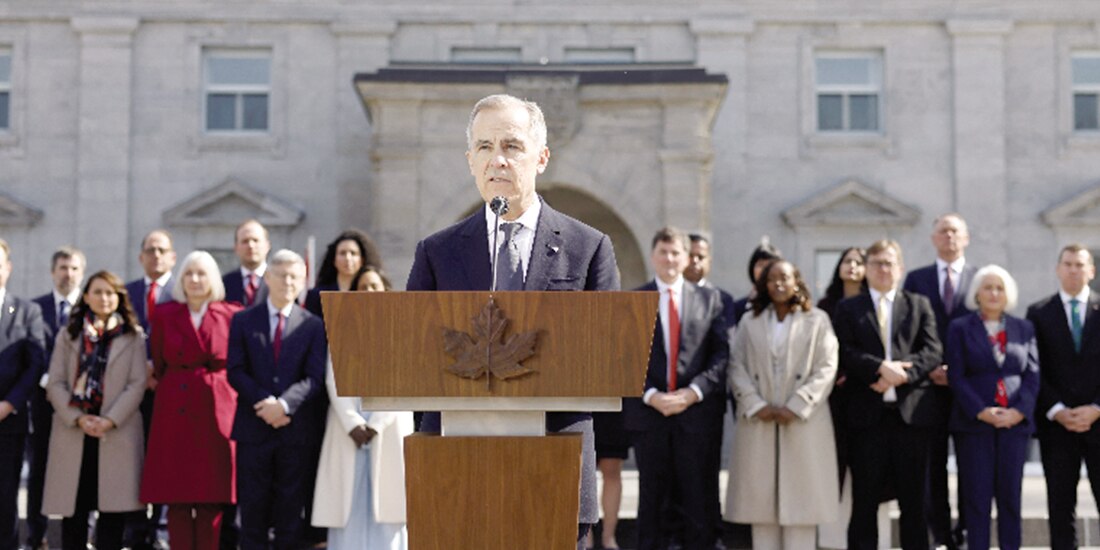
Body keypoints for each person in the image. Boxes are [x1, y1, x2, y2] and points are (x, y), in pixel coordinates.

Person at [406, 93, 620, 548]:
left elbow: (608, 357)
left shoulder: (588, 247)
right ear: (469, 160)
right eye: (483, 147)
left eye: (511, 146)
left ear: (541, 158)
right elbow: (414, 358)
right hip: (456, 469)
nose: (496, 160)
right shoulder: (437, 252)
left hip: (553, 464)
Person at [832, 239, 941, 550]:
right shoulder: (848, 308)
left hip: (911, 419)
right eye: (876, 263)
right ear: (866, 269)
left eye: (889, 263)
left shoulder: (919, 305)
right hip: (868, 421)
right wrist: (879, 368)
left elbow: (933, 350)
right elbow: (843, 351)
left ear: (900, 268)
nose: (883, 269)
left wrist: (900, 375)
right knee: (864, 503)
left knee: (914, 505)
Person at [623, 227, 728, 550]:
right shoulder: (635, 300)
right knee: (652, 503)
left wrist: (693, 392)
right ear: (653, 256)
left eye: (675, 253)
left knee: (697, 502)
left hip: (695, 417)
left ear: (686, 258)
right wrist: (652, 395)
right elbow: (625, 356)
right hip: (650, 417)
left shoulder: (711, 300)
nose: (669, 259)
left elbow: (721, 354)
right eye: (663, 252)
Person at [726, 259, 838, 549]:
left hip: (803, 423)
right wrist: (755, 404)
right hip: (759, 422)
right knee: (761, 509)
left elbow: (827, 367)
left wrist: (797, 405)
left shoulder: (818, 320)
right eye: (772, 279)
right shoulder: (749, 321)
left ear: (796, 282)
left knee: (801, 508)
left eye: (784, 278)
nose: (778, 284)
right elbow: (736, 366)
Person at [140, 251, 243, 550]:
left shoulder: (232, 314)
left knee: (212, 496)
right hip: (175, 407)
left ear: (214, 279)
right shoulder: (165, 314)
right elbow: (158, 362)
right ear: (181, 279)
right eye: (189, 274)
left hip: (217, 407)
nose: (195, 280)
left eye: (202, 274)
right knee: (178, 498)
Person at [227, 249, 327, 550]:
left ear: (303, 281)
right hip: (253, 429)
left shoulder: (313, 325)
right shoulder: (244, 320)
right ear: (267, 278)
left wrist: (283, 406)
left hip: (294, 430)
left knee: (289, 511)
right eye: (281, 275)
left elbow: (314, 377)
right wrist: (265, 404)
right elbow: (235, 369)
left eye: (294, 276)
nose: (287, 281)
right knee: (252, 511)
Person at [42, 270, 147, 550]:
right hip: (75, 432)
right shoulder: (69, 335)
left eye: (110, 293)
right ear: (86, 297)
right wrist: (78, 418)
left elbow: (137, 384)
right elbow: (56, 383)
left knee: (112, 516)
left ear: (119, 298)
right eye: (97, 292)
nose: (104, 298)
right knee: (73, 514)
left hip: (115, 433)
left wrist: (109, 420)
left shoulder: (133, 337)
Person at [312, 266, 411, 550]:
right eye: (362, 287)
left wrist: (376, 424)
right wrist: (352, 422)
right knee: (348, 508)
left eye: (374, 286)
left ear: (385, 291)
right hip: (349, 429)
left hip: (387, 428)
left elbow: (402, 381)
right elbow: (333, 377)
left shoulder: (400, 330)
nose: (368, 292)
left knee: (389, 506)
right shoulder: (343, 328)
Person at [946, 265, 1038, 550]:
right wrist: (981, 411)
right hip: (974, 426)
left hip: (1014, 426)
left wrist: (1019, 411)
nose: (994, 293)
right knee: (977, 499)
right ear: (977, 293)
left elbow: (1032, 375)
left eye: (999, 287)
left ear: (1007, 293)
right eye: (988, 287)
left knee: (1010, 498)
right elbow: (956, 376)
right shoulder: (960, 328)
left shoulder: (1023, 328)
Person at [902, 213, 977, 549]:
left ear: (966, 238)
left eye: (955, 231)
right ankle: (940, 535)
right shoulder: (916, 280)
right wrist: (928, 367)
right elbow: (907, 331)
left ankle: (966, 532)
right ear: (932, 238)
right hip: (926, 388)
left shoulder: (981, 279)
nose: (949, 237)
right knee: (931, 466)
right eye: (942, 231)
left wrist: (959, 371)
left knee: (970, 464)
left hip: (969, 388)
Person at [1026, 244, 1100, 550]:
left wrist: (1096, 408)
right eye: (1067, 264)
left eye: (1080, 264)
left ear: (1091, 271)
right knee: (1059, 507)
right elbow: (1033, 368)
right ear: (1058, 269)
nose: (1073, 270)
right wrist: (1056, 409)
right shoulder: (1039, 313)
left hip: (1099, 423)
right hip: (1057, 426)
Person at [26, 246, 84, 550]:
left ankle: (78, 535)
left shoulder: (90, 309)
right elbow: (35, 354)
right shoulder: (34, 308)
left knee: (79, 471)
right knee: (40, 470)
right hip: (43, 404)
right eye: (63, 268)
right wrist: (53, 386)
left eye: (74, 268)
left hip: (80, 406)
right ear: (52, 272)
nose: (68, 274)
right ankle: (36, 535)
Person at [124, 229, 177, 550]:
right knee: (133, 460)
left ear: (172, 256)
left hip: (169, 392)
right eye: (150, 250)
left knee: (165, 460)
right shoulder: (126, 293)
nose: (156, 255)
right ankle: (135, 529)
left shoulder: (182, 291)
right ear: (141, 256)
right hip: (132, 394)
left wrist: (159, 372)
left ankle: (161, 528)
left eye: (162, 250)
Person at [0, 238, 47, 550]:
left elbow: (36, 364)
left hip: (9, 423)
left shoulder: (28, 311)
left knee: (5, 502)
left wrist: (8, 404)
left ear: (7, 268)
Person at [304, 229, 384, 319]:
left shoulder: (370, 290)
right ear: (334, 260)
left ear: (362, 259)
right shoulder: (317, 295)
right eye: (342, 253)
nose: (348, 258)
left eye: (353, 253)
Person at [731, 241, 783, 326]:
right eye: (761, 265)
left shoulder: (785, 306)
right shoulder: (737, 308)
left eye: (770, 265)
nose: (765, 270)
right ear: (752, 268)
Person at [223, 219, 271, 308]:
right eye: (245, 241)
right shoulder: (224, 283)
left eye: (255, 240)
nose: (251, 246)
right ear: (236, 247)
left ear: (267, 246)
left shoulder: (279, 281)